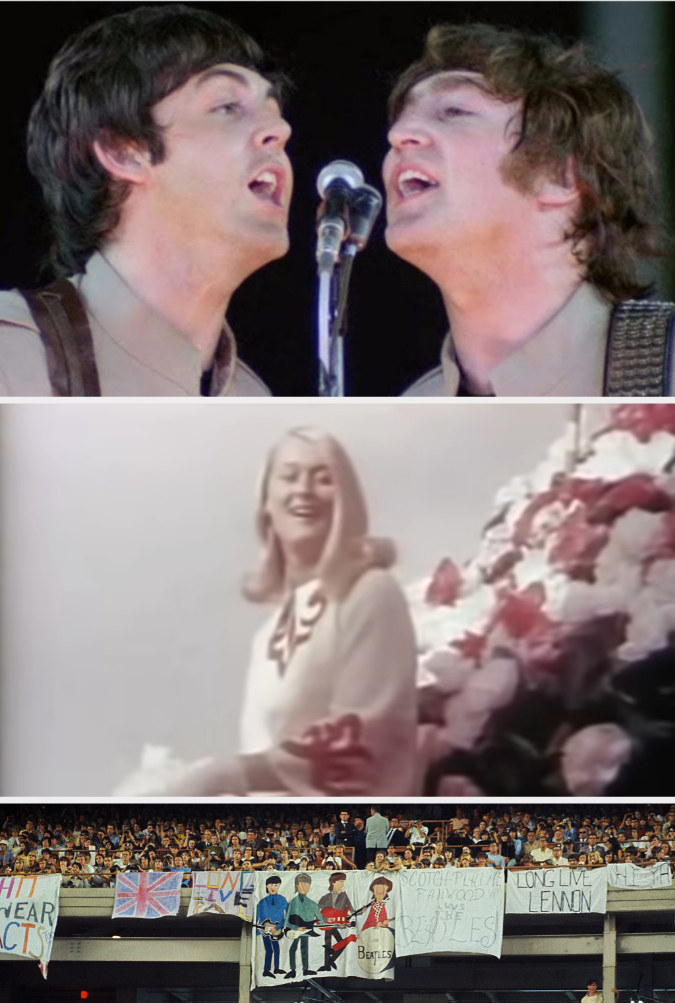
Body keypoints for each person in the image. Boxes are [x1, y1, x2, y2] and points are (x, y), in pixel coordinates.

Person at [0, 4, 291, 397]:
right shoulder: (13, 354)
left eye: (273, 110)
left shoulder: (255, 403)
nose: (279, 128)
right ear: (123, 152)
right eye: (226, 106)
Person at [383, 22, 674, 397]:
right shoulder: (408, 420)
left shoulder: (662, 369)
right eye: (400, 119)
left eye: (454, 111)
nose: (398, 135)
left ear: (561, 176)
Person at [154, 426, 418, 797]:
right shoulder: (266, 637)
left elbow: (369, 738)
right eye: (290, 477)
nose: (304, 491)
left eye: (323, 478)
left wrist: (227, 774)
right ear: (266, 502)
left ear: (347, 498)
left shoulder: (371, 592)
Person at [256, 876, 288, 980]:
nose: (273, 887)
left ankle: (277, 968)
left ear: (279, 886)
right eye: (271, 885)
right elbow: (257, 918)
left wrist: (279, 927)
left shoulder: (283, 900)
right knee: (269, 949)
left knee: (277, 948)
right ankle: (266, 970)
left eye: (276, 885)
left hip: (277, 930)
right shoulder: (262, 902)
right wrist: (259, 931)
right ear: (267, 886)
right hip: (265, 930)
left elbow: (287, 916)